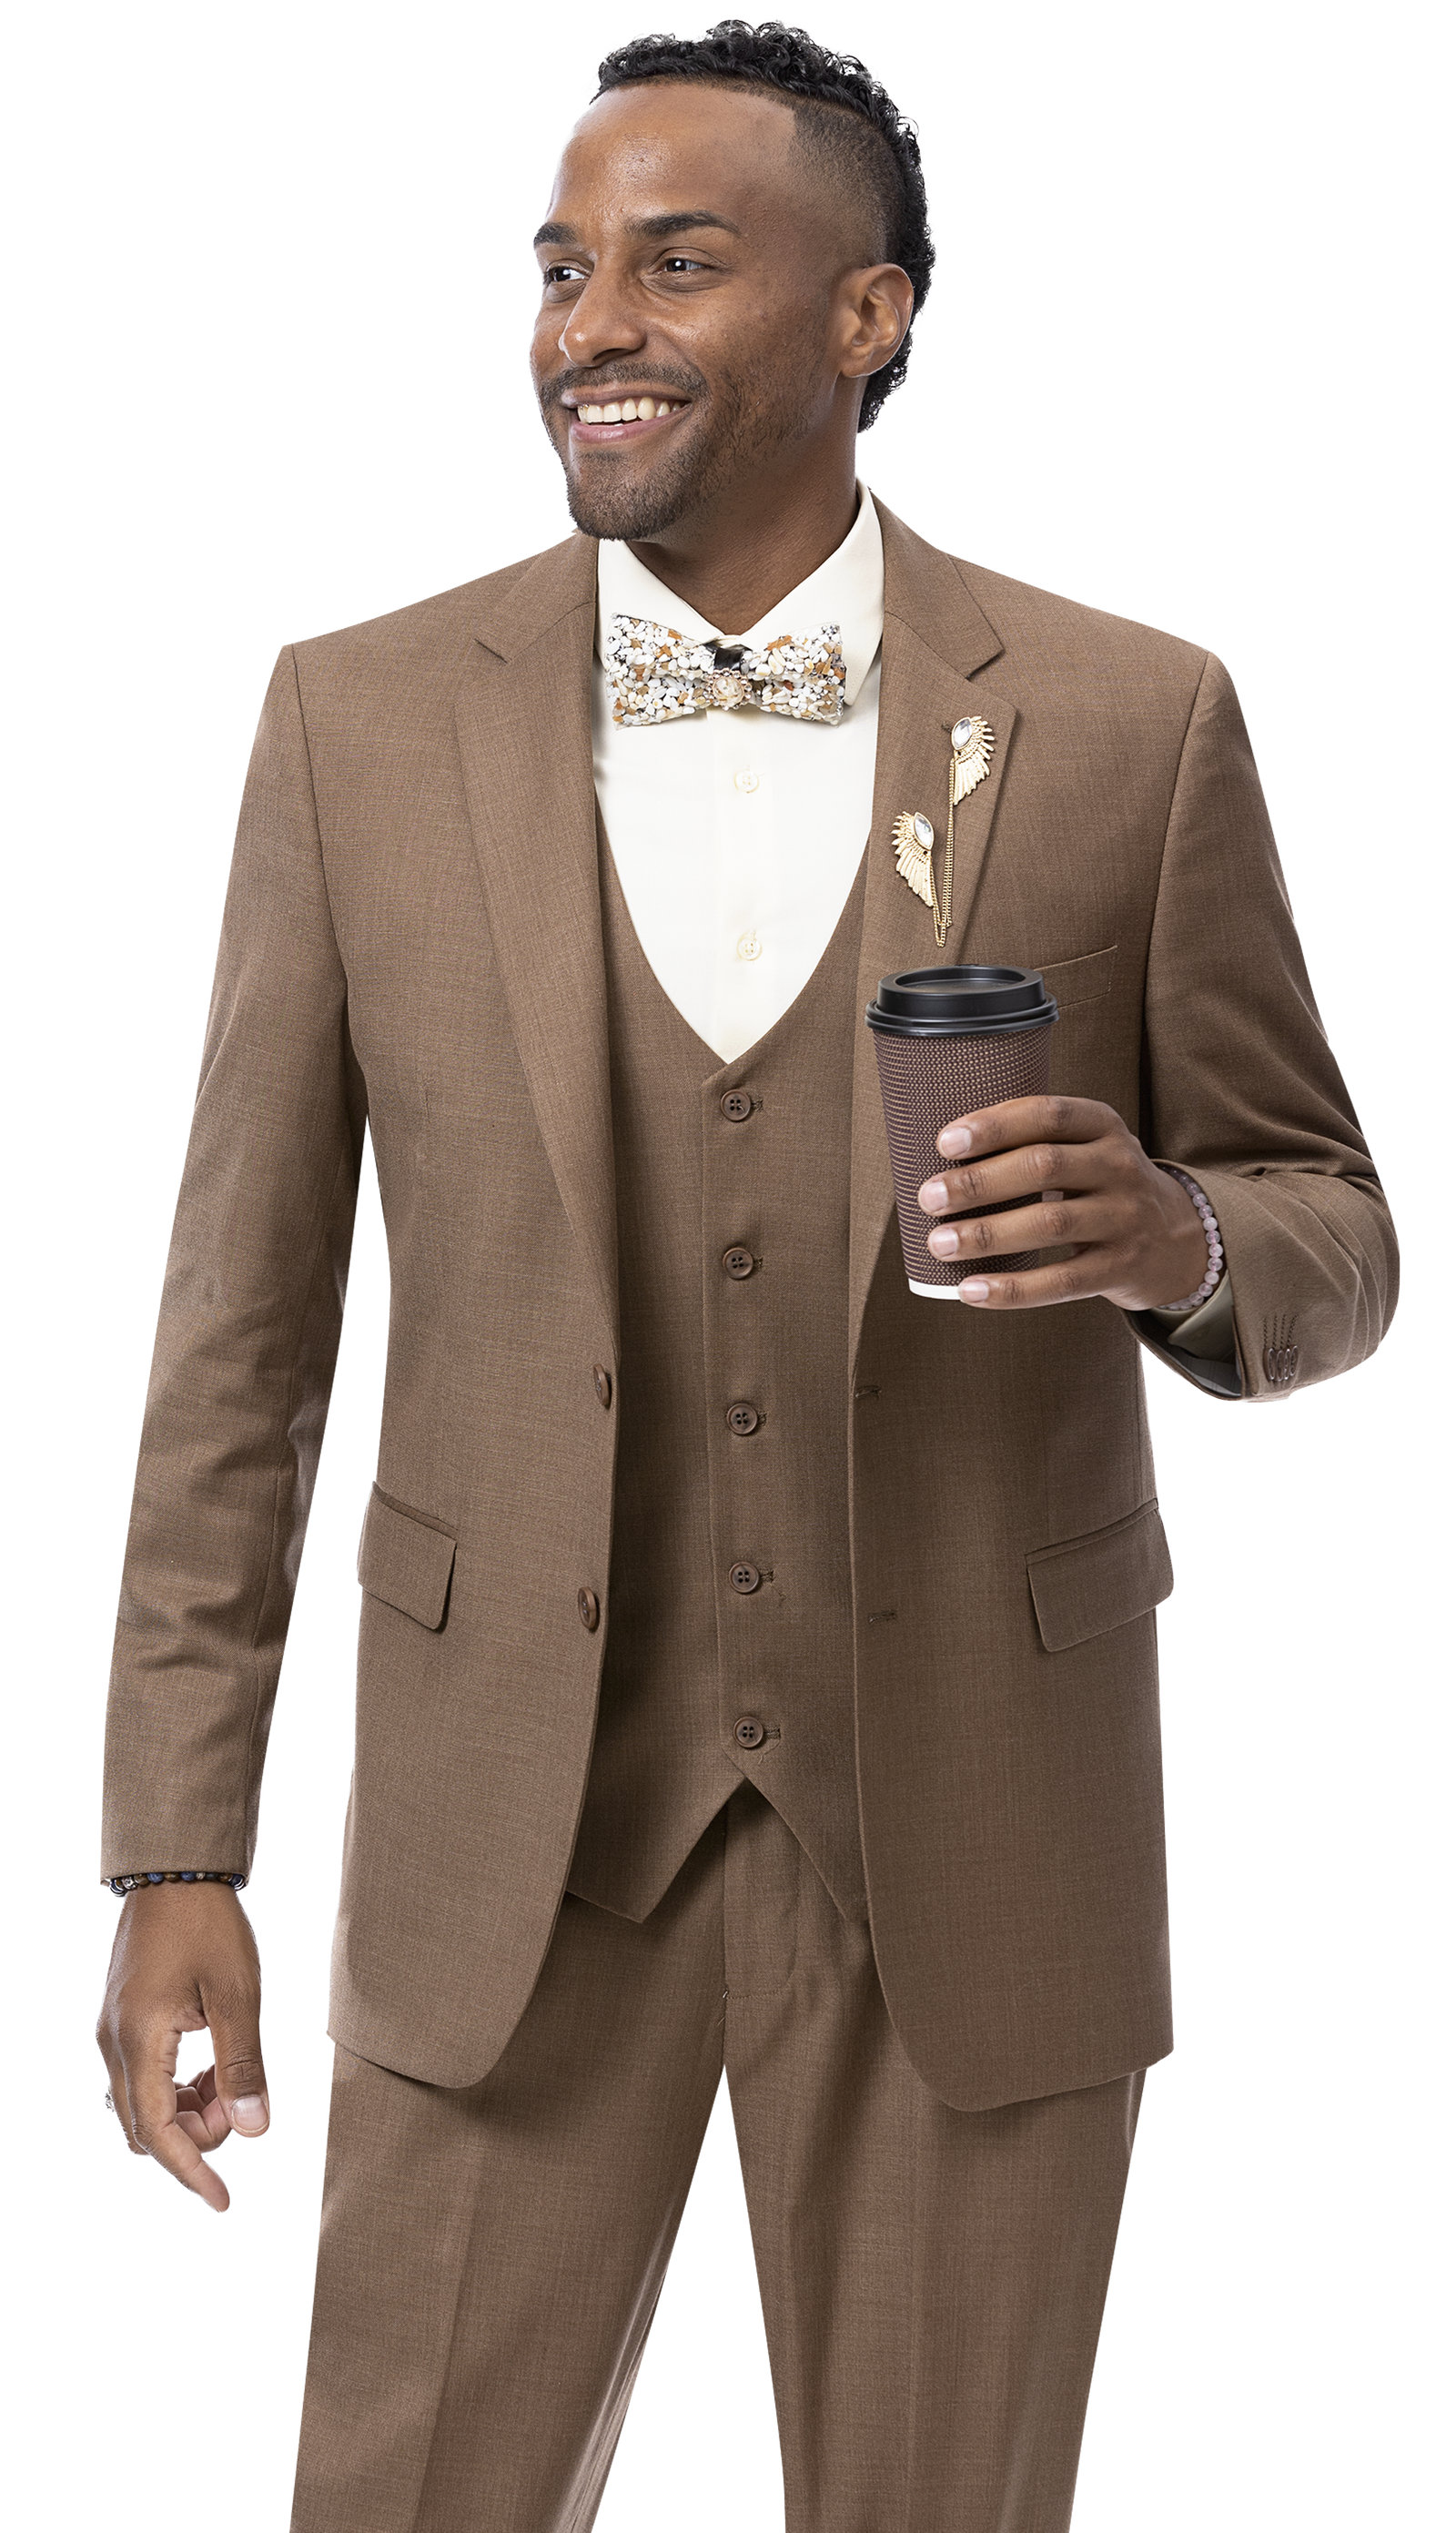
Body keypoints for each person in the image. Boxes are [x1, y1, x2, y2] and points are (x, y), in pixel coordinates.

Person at [93, 17, 1400, 2529]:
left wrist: (1187, 1236)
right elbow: (238, 1347)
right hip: (509, 1844)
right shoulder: (356, 722)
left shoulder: (1129, 715)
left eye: (676, 263)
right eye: (559, 267)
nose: (589, 324)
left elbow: (1333, 1222)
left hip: (976, 1843)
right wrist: (177, 1849)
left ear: (869, 313)